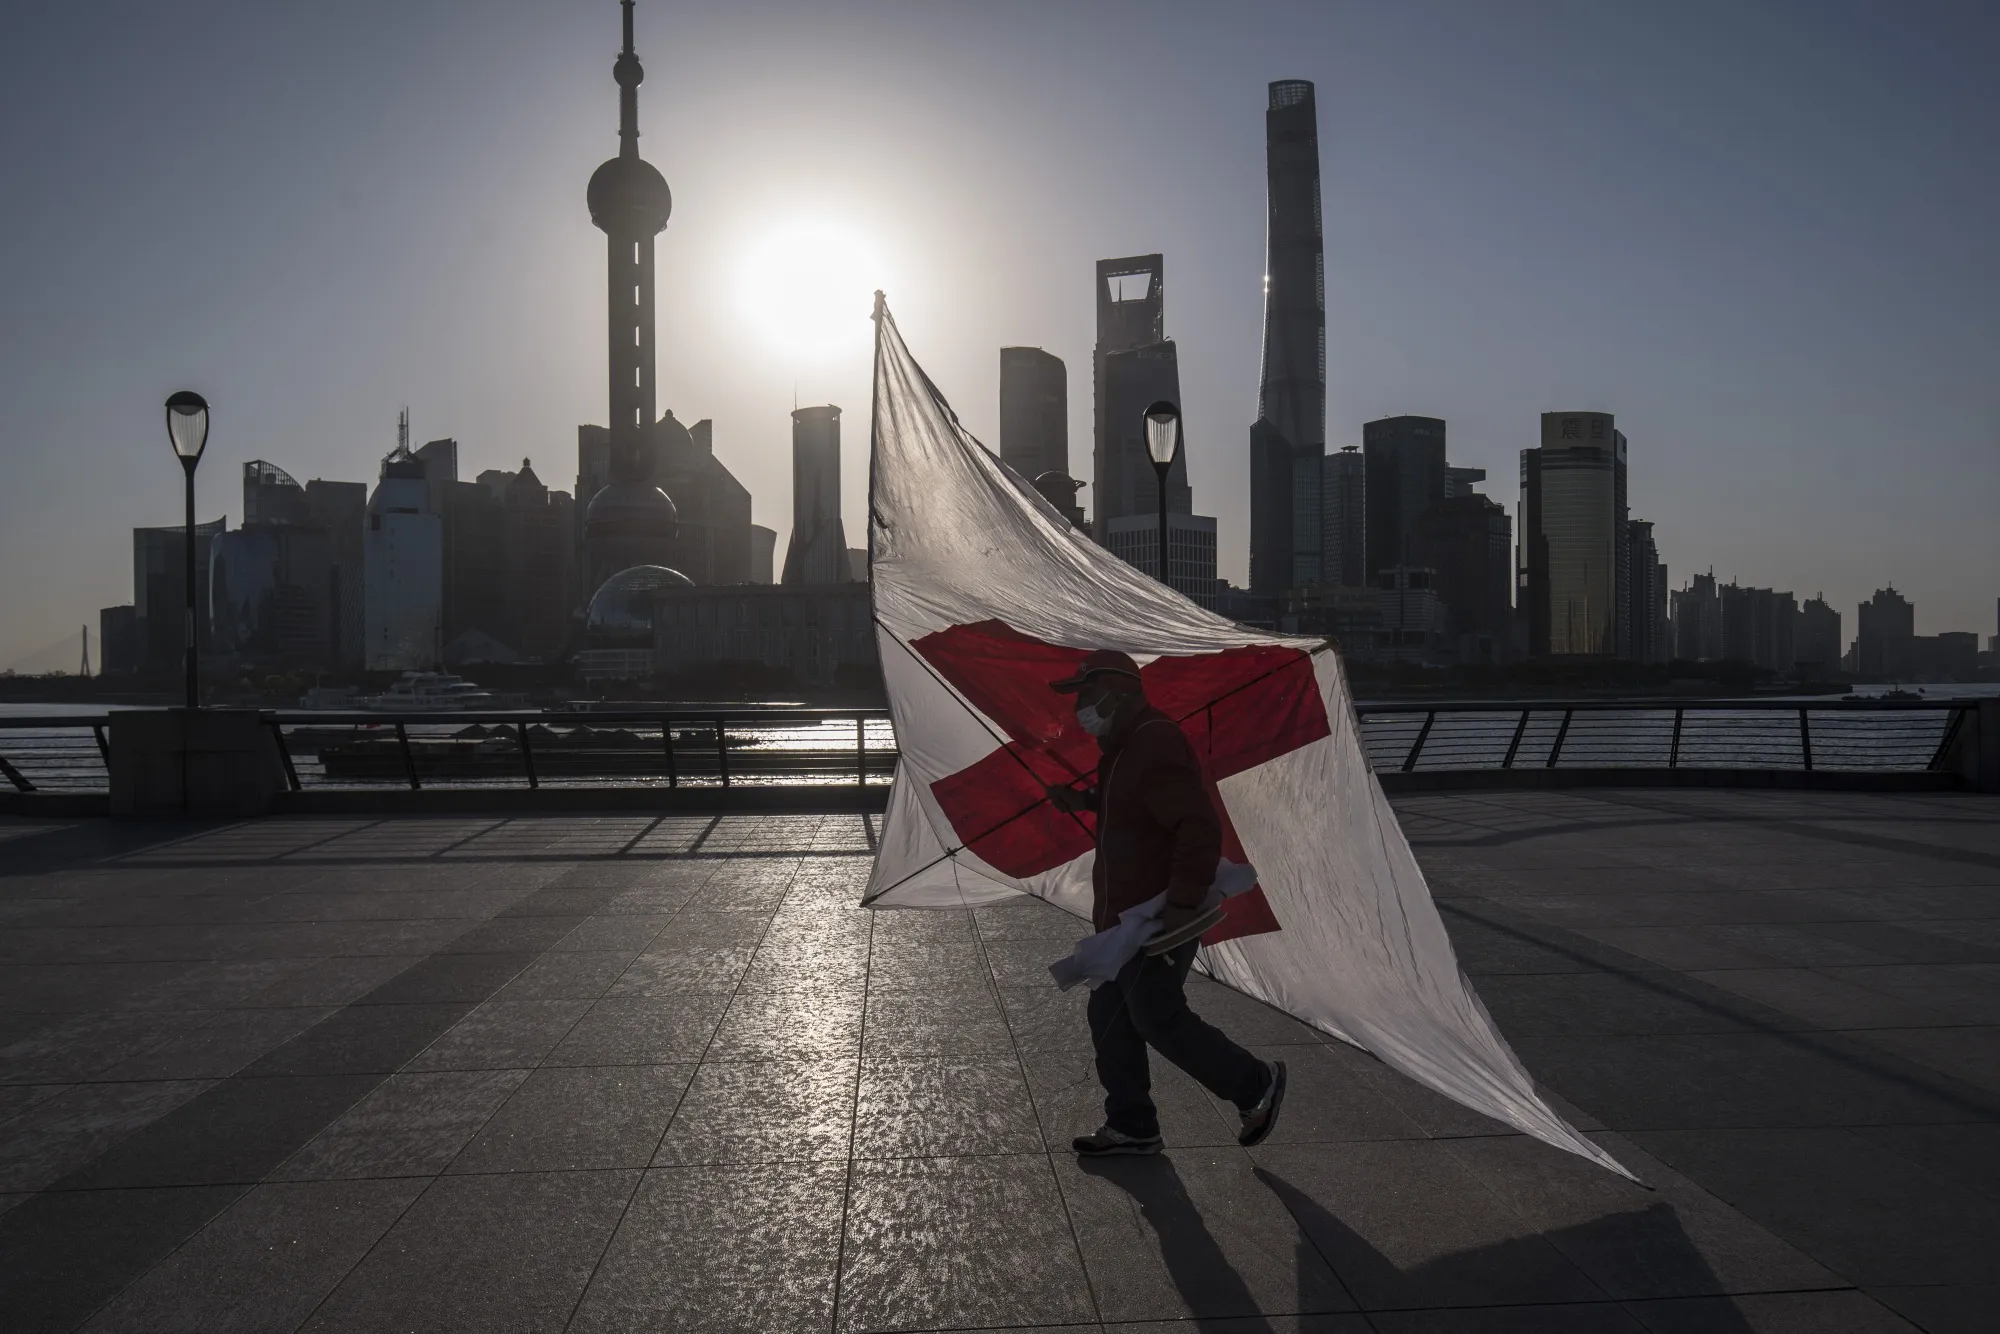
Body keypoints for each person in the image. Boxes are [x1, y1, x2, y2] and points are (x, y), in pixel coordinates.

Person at [1046, 648, 1286, 1156]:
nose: (1080, 708)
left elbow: (1196, 826)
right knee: (1109, 1014)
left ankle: (1254, 1083)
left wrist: (1181, 904)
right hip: (1123, 916)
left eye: (1086, 695)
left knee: (1157, 1016)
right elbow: (1135, 803)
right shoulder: (1122, 747)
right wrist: (1084, 800)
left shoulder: (1154, 741)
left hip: (1155, 914)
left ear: (1118, 691)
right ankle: (1133, 1125)